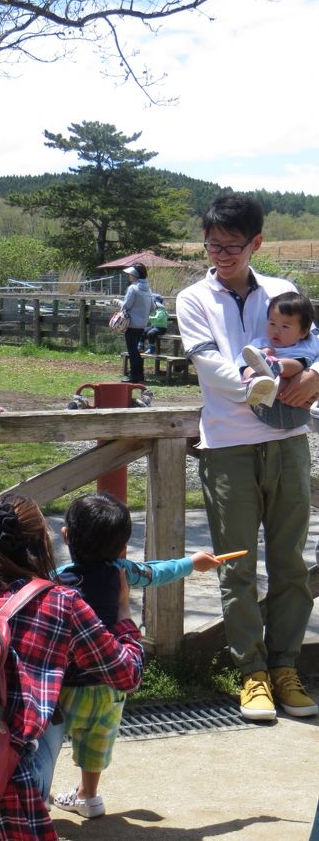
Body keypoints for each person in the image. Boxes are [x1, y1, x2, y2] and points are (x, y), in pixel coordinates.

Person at [0, 493, 144, 841]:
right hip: (8, 793)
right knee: (46, 705)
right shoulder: (60, 601)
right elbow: (127, 676)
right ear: (44, 542)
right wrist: (123, 616)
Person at [176, 191, 319, 722]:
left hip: (287, 443)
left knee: (290, 564)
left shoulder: (284, 291)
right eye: (213, 245)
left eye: (232, 246)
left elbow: (315, 343)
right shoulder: (193, 298)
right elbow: (206, 362)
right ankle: (251, 673)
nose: (221, 255)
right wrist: (252, 383)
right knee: (236, 566)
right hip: (227, 446)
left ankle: (285, 667)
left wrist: (314, 375)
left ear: (256, 242)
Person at [50, 492, 220, 820]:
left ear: (66, 535)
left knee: (49, 741)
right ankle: (89, 795)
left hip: (64, 686)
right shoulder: (123, 572)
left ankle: (37, 792)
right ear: (122, 548)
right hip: (112, 681)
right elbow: (157, 572)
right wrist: (191, 564)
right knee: (97, 739)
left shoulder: (55, 579)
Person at [237, 291, 319, 429]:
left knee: (300, 363)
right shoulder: (261, 342)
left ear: (303, 332)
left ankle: (275, 366)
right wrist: (250, 373)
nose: (276, 331)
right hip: (268, 409)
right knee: (252, 364)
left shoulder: (309, 343)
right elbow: (242, 361)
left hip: (298, 410)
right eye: (272, 323)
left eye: (285, 326)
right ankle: (259, 379)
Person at [118, 263, 154, 383]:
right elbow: (153, 307)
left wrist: (117, 302)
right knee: (135, 351)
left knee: (132, 351)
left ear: (135, 275)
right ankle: (140, 375)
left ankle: (134, 376)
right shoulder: (148, 289)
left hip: (131, 324)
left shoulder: (133, 288)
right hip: (142, 324)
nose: (129, 276)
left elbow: (126, 305)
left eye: (131, 274)